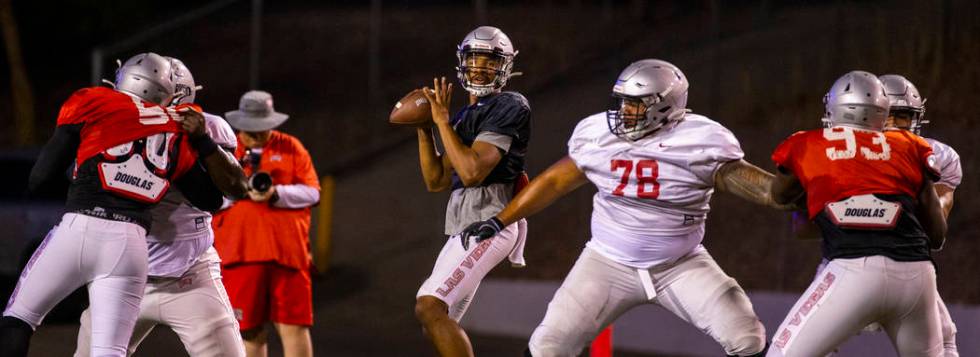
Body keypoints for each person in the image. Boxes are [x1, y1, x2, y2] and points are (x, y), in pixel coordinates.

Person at [461, 59, 793, 357]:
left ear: (666, 106)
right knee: (548, 345)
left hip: (680, 264)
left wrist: (793, 178)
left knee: (747, 336)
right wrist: (501, 219)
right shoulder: (598, 134)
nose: (624, 112)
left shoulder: (700, 140)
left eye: (636, 104)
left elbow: (765, 191)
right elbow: (554, 182)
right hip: (606, 262)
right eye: (623, 103)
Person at [1, 52, 231, 357]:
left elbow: (39, 179)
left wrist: (80, 189)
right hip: (130, 246)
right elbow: (212, 199)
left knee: (19, 319)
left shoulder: (93, 102)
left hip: (80, 225)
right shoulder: (176, 131)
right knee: (109, 351)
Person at [74, 57, 249, 357]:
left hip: (189, 275)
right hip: (122, 275)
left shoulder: (207, 128)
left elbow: (235, 189)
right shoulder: (107, 126)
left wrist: (202, 141)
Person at [767, 71, 946, 356]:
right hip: (917, 277)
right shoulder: (912, 146)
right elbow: (936, 235)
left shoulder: (807, 143)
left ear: (834, 107)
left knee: (780, 353)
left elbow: (779, 195)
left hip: (853, 269)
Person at [413, 26, 531, 357]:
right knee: (434, 318)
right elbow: (436, 181)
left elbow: (471, 170)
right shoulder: (467, 115)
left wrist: (441, 123)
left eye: (490, 61)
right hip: (464, 226)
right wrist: (424, 129)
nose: (480, 67)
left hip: (491, 221)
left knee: (429, 306)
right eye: (474, 58)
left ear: (505, 67)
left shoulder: (510, 105)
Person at [212, 90, 320, 357]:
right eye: (250, 128)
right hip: (240, 255)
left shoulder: (291, 147)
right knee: (249, 331)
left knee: (294, 328)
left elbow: (313, 192)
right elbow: (209, 199)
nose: (256, 134)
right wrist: (241, 192)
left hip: (288, 255)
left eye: (261, 127)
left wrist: (276, 194)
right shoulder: (225, 150)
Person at [880, 74, 961, 356]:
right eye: (885, 114)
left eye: (901, 115)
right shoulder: (841, 150)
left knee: (946, 336)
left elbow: (935, 230)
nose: (891, 123)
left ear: (915, 118)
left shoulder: (935, 155)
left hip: (907, 263)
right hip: (846, 258)